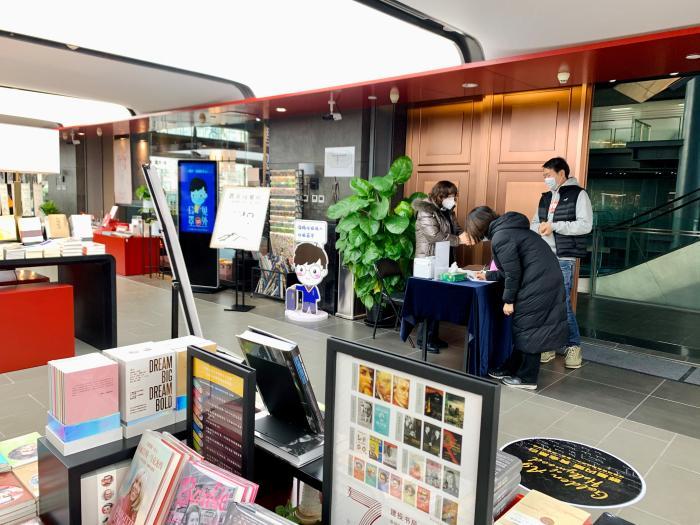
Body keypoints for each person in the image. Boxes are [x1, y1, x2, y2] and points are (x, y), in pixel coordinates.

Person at [466, 206, 568, 389]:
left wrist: (509, 301)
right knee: (525, 328)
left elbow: (513, 274)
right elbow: (510, 270)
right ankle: (511, 368)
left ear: (479, 227)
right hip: (543, 280)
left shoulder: (501, 236)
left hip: (538, 284)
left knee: (531, 329)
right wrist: (488, 275)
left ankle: (527, 378)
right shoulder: (510, 230)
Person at [532, 157, 592, 369]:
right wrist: (539, 228)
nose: (546, 179)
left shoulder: (579, 194)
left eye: (548, 175)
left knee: (562, 303)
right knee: (546, 302)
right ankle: (549, 345)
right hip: (543, 257)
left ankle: (573, 346)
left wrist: (555, 226)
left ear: (561, 174)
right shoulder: (545, 197)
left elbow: (585, 225)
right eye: (544, 176)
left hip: (564, 258)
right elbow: (534, 223)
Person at [412, 180, 469, 352]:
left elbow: (456, 229)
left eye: (454, 197)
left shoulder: (447, 211)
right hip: (428, 260)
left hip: (444, 260)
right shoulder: (425, 211)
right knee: (429, 300)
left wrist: (468, 235)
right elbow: (434, 236)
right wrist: (459, 240)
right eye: (451, 196)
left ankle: (433, 336)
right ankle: (423, 340)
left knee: (438, 299)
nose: (453, 200)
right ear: (440, 195)